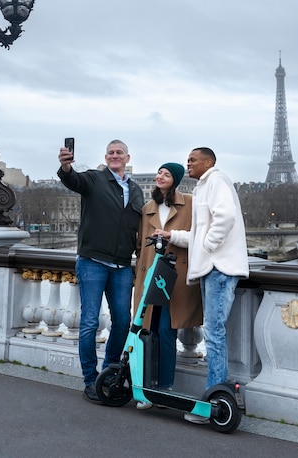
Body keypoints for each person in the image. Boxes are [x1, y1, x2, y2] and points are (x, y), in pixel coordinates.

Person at [154, 147, 249, 424]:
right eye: (188, 160)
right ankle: (215, 395)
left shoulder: (217, 181)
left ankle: (214, 400)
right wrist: (173, 235)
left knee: (215, 333)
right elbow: (199, 232)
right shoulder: (204, 187)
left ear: (209, 162)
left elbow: (226, 217)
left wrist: (208, 247)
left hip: (219, 268)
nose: (188, 164)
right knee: (214, 333)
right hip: (213, 268)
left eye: (193, 160)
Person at [58, 139, 144, 403]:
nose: (115, 156)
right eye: (111, 153)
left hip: (121, 265)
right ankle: (88, 379)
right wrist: (65, 167)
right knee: (90, 322)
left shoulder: (137, 190)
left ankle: (108, 372)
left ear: (127, 157)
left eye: (119, 153)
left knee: (122, 322)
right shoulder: (94, 179)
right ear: (106, 157)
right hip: (93, 260)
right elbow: (73, 181)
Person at [134, 162, 202, 410]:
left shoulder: (190, 203)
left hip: (175, 277)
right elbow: (141, 244)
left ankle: (165, 387)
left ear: (176, 180)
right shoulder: (147, 208)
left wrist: (170, 236)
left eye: (167, 174)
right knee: (146, 332)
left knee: (166, 331)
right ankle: (145, 387)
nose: (160, 176)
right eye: (159, 173)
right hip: (151, 274)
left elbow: (199, 237)